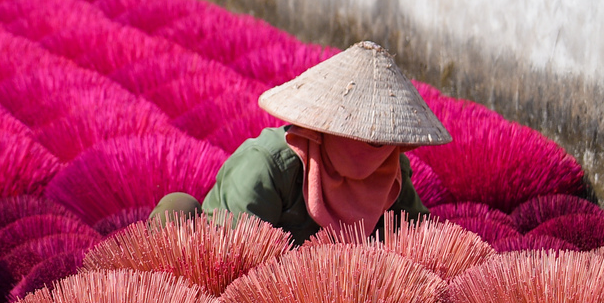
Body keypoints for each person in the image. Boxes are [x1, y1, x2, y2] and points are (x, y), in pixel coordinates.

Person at [153, 41, 451, 244]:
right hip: (251, 283)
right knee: (177, 208)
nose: (374, 146)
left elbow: (419, 240)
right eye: (355, 132)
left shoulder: (391, 169)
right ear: (324, 128)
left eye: (382, 139)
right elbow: (235, 263)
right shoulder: (265, 166)